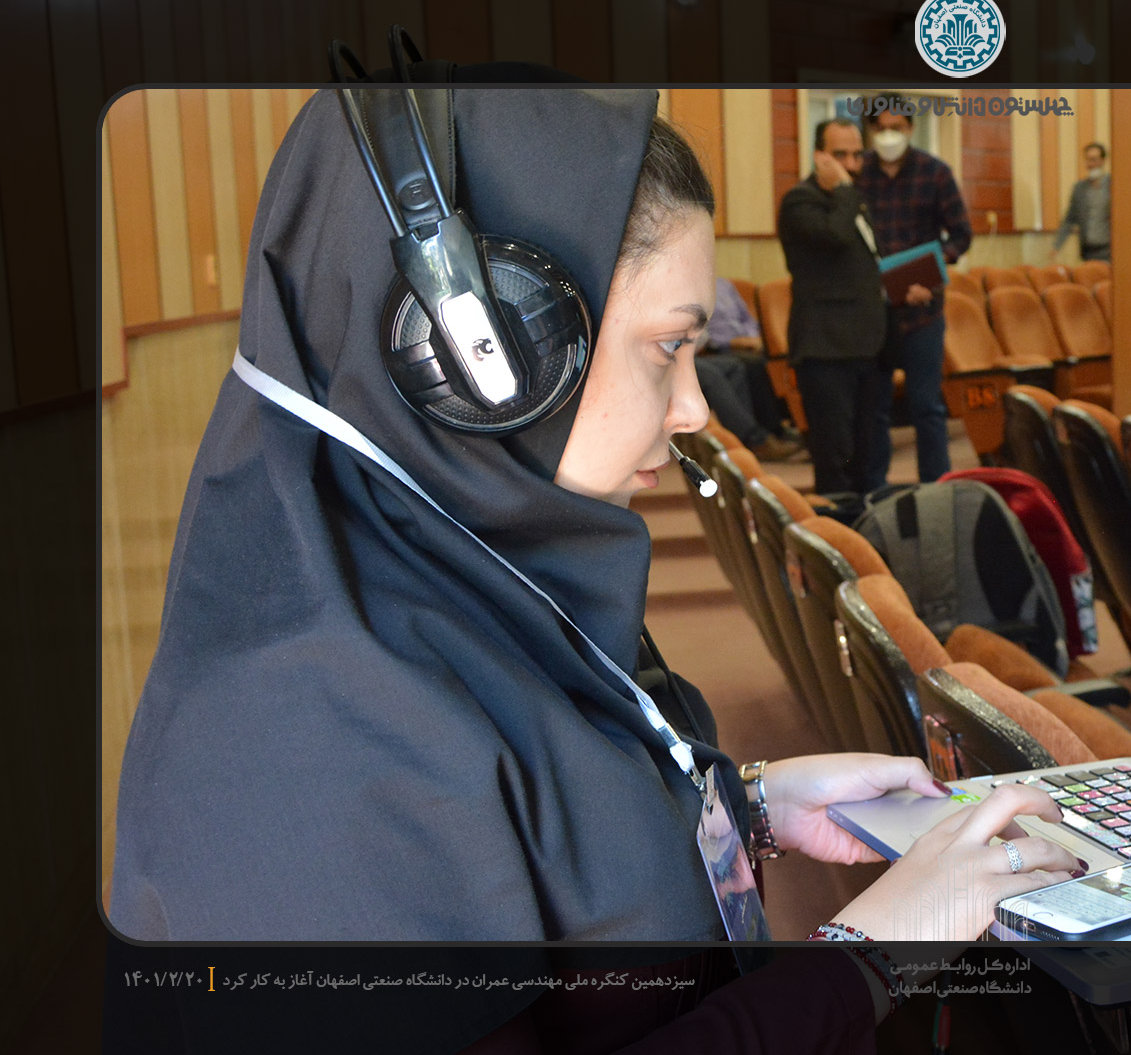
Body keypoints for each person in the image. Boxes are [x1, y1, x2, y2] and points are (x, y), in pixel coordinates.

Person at [108, 87, 1081, 1041]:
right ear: (483, 354)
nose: (695, 408)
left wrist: (745, 806)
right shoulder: (308, 732)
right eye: (668, 348)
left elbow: (546, 846)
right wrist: (873, 956)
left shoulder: (482, 552)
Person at [858, 94, 973, 486]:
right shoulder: (858, 173)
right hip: (874, 312)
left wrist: (932, 273)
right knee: (875, 409)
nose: (889, 135)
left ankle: (935, 487)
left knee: (927, 407)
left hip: (923, 310)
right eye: (881, 128)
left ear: (910, 128)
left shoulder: (935, 172)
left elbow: (961, 235)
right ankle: (874, 490)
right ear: (870, 131)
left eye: (897, 127)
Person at [777, 117, 893, 495]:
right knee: (835, 458)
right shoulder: (801, 201)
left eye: (857, 155)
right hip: (825, 349)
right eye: (840, 155)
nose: (852, 164)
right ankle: (837, 529)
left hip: (865, 345)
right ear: (819, 157)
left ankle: (863, 526)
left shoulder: (853, 199)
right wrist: (843, 189)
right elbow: (836, 236)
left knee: (863, 455)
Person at [694, 277, 802, 462]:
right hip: (671, 358)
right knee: (712, 374)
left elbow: (745, 320)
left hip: (690, 353)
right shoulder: (677, 287)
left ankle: (766, 433)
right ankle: (754, 440)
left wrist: (754, 339)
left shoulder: (724, 285)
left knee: (740, 366)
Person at [1051, 141, 1110, 262]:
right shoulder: (1079, 188)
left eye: (1094, 160)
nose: (1090, 164)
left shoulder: (1113, 185)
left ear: (1102, 161)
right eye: (1087, 160)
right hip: (1088, 252)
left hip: (1109, 251)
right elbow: (1069, 219)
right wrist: (1057, 246)